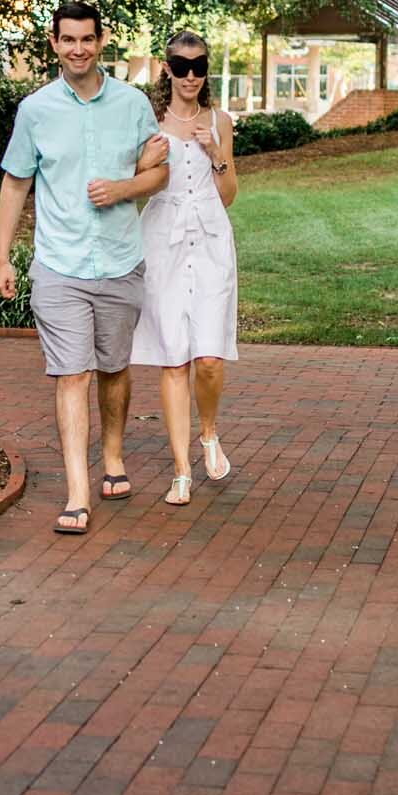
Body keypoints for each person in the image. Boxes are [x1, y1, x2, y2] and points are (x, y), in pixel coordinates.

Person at [0, 1, 170, 535]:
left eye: (87, 39)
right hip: (59, 264)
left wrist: (122, 188)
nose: (78, 48)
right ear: (53, 43)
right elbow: (15, 183)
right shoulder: (36, 109)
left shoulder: (133, 104)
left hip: (119, 259)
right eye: (68, 39)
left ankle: (113, 456)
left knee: (115, 369)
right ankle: (76, 493)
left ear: (102, 40)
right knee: (72, 374)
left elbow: (158, 173)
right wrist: (2, 255)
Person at [130, 30, 240, 505]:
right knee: (173, 356)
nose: (190, 75)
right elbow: (137, 186)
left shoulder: (221, 120)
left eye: (199, 67)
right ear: (167, 69)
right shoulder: (149, 122)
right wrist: (145, 162)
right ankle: (180, 471)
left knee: (210, 360)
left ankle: (209, 432)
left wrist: (216, 153)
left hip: (212, 242)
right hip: (164, 243)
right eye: (181, 65)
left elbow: (230, 195)